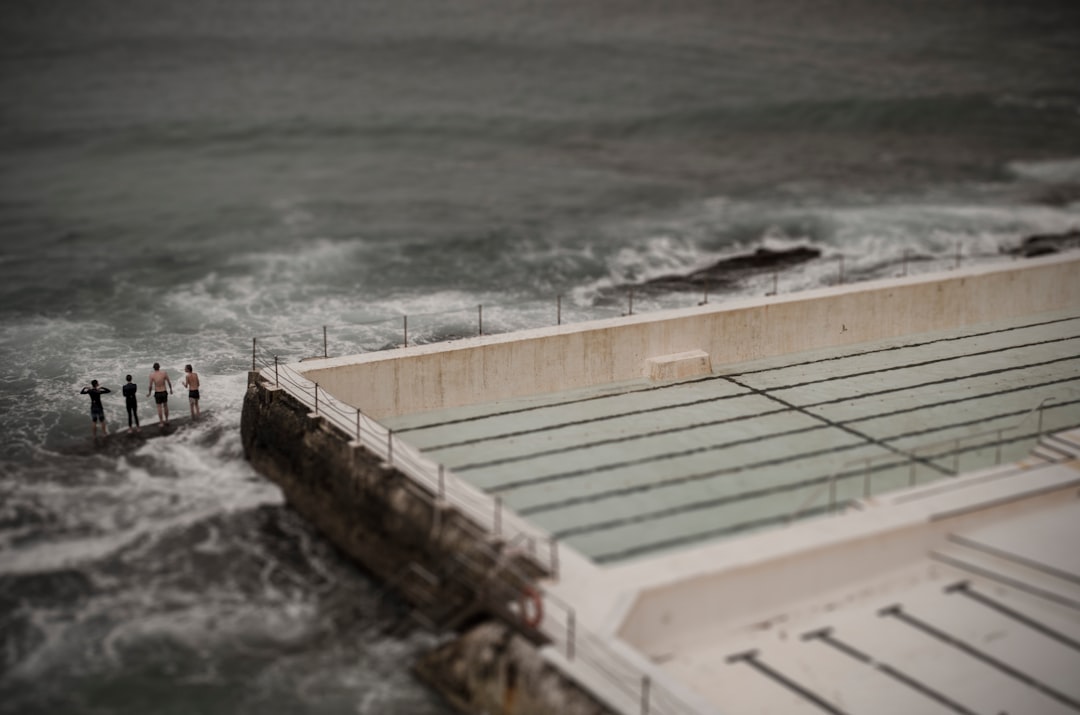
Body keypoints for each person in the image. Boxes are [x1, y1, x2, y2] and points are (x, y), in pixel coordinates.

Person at [147, 362, 173, 427]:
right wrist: (171, 389)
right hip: (164, 391)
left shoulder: (152, 375)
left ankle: (161, 422)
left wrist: (149, 393)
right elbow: (169, 382)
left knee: (159, 407)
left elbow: (150, 386)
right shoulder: (164, 373)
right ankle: (167, 420)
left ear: (154, 368)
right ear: (159, 367)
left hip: (157, 392)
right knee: (165, 406)